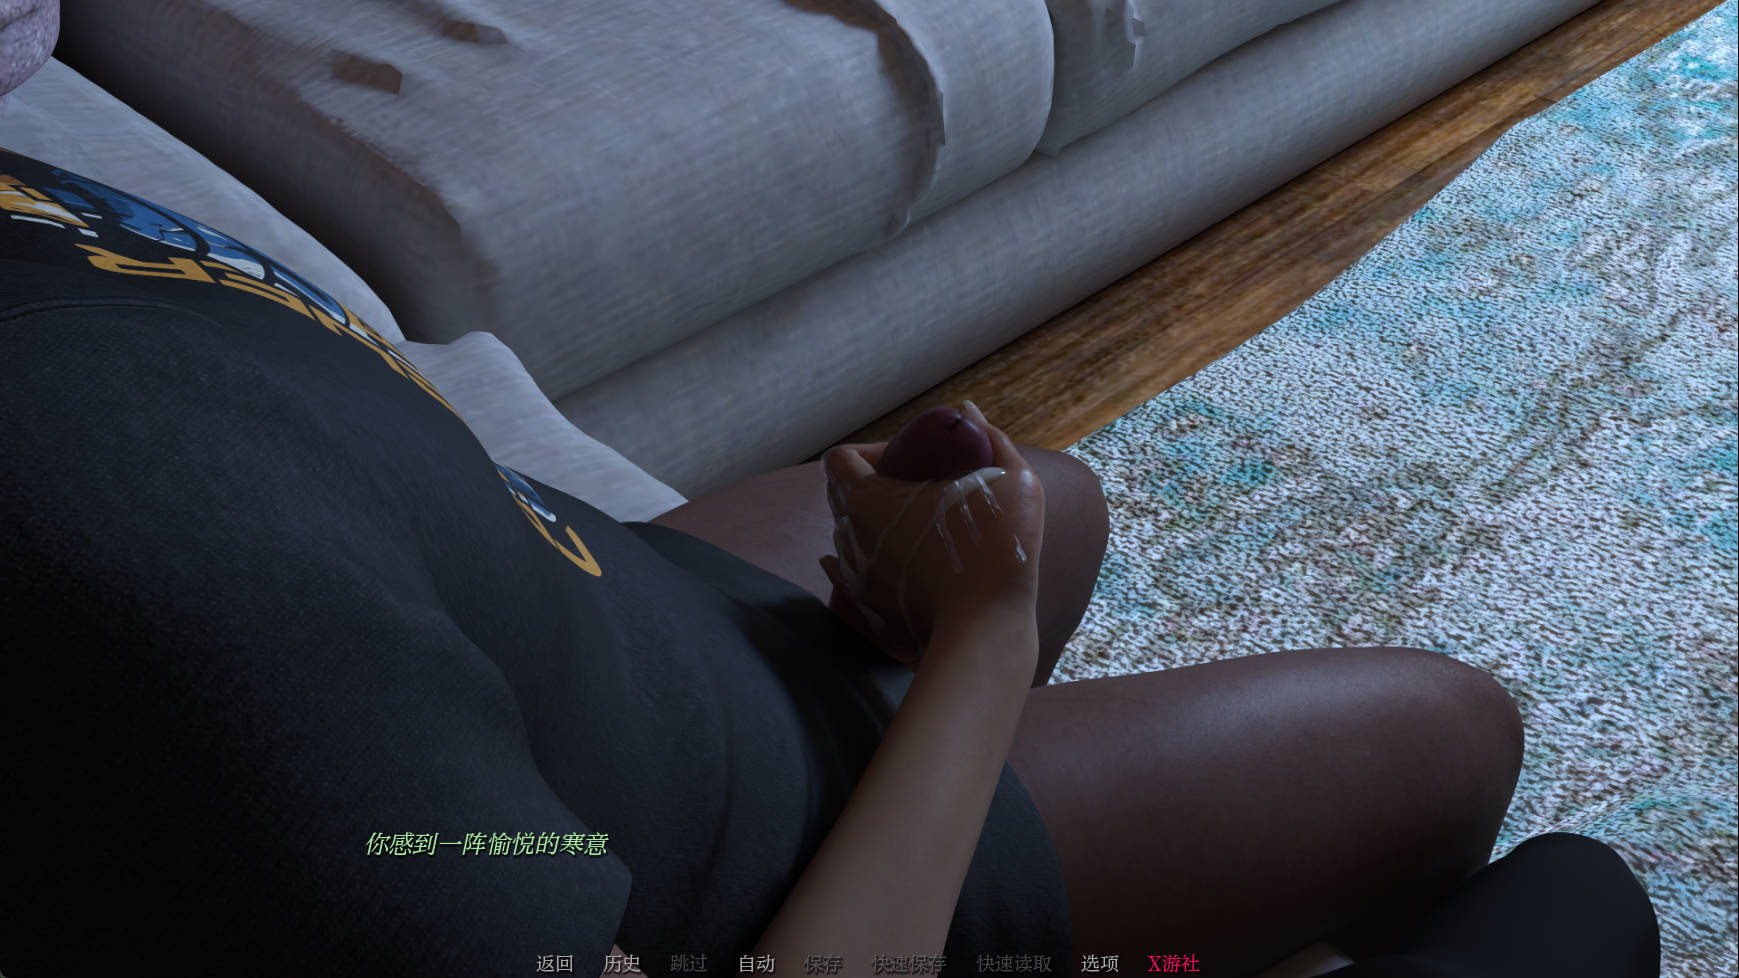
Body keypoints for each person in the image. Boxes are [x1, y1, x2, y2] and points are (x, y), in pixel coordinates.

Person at [0, 7, 1659, 976]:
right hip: (717, 880)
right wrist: (978, 647)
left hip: (587, 634)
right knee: (1479, 766)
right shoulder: (168, 623)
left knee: (1055, 498)